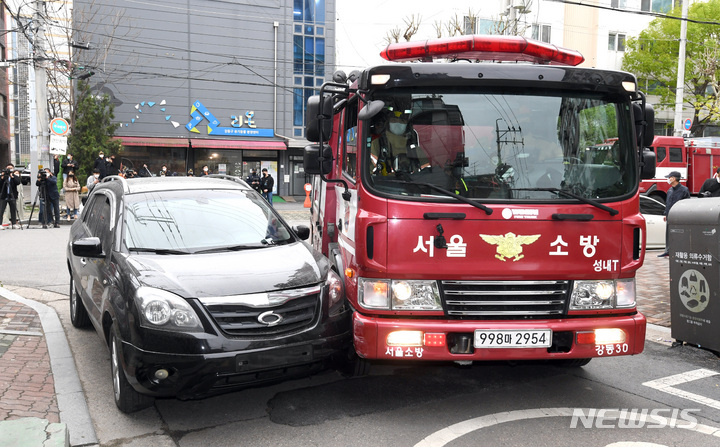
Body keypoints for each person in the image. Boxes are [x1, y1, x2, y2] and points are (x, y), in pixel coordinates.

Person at [369, 105, 428, 175]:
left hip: (411, 185)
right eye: (394, 119)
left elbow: (428, 175)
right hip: (383, 185)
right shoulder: (377, 145)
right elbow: (367, 175)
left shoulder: (414, 149)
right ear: (388, 122)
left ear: (407, 123)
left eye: (402, 120)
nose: (398, 122)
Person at [658, 170, 691, 257]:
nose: (668, 179)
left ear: (674, 178)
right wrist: (666, 214)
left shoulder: (684, 190)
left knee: (679, 233)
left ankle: (679, 251)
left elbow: (686, 204)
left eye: (669, 178)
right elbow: (668, 203)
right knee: (669, 233)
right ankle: (668, 251)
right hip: (670, 216)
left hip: (679, 216)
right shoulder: (669, 190)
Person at [0, 163, 22, 229]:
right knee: (1, 210)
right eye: (8, 168)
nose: (9, 170)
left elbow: (18, 182)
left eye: (11, 168)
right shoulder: (3, 176)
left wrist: (13, 177)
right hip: (4, 196)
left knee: (13, 210)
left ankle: (14, 223)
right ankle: (0, 223)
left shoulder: (14, 176)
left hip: (12, 195)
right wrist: (2, 178)